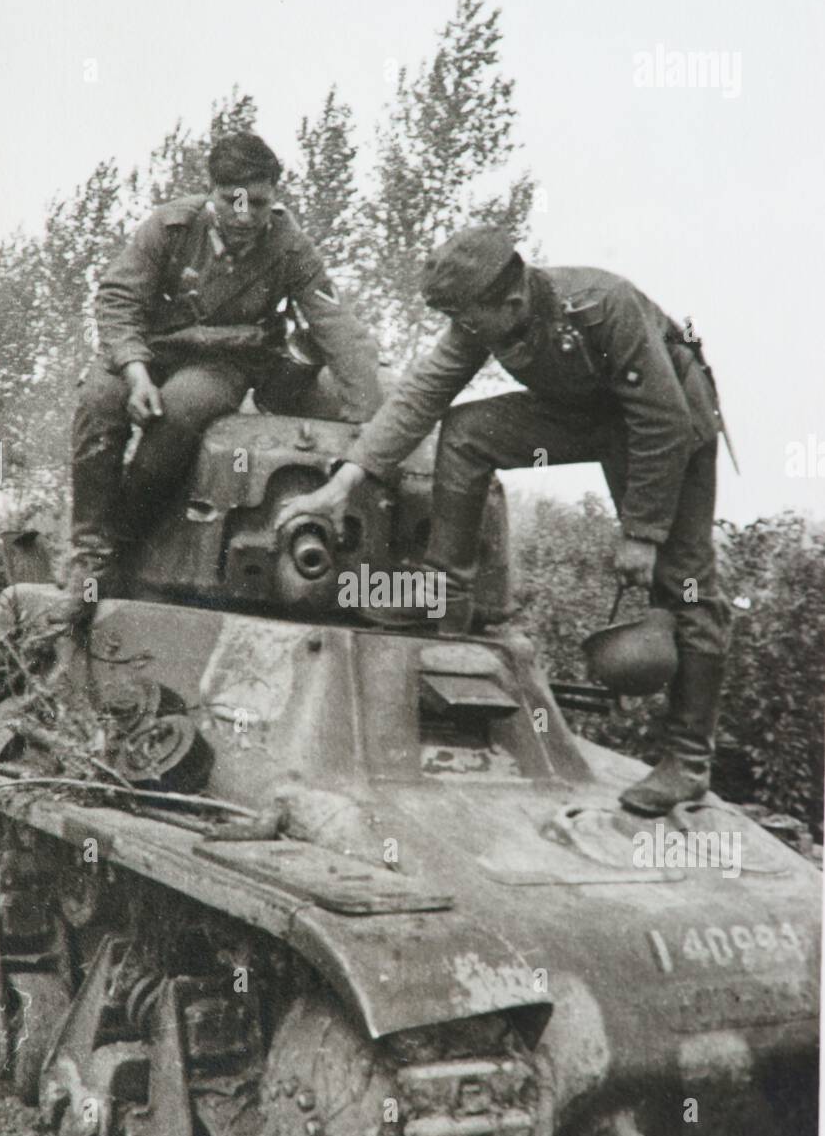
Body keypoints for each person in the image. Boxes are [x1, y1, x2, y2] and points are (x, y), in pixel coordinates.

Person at [278, 226, 732, 815]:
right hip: (587, 414)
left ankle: (687, 763)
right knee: (467, 435)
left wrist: (642, 534)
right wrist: (347, 478)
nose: (460, 330)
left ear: (510, 301)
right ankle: (445, 593)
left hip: (671, 422)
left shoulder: (602, 306)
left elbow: (662, 420)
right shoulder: (481, 318)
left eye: (465, 317)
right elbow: (423, 395)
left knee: (687, 583)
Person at [67, 130, 382, 624]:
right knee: (98, 404)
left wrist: (372, 415)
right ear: (211, 191)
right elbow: (117, 299)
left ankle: (123, 543)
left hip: (223, 360)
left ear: (274, 196)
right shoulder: (170, 227)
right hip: (146, 348)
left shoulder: (288, 246)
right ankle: (88, 555)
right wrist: (135, 372)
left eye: (258, 202)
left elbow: (334, 324)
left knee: (180, 410)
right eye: (231, 199)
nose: (244, 214)